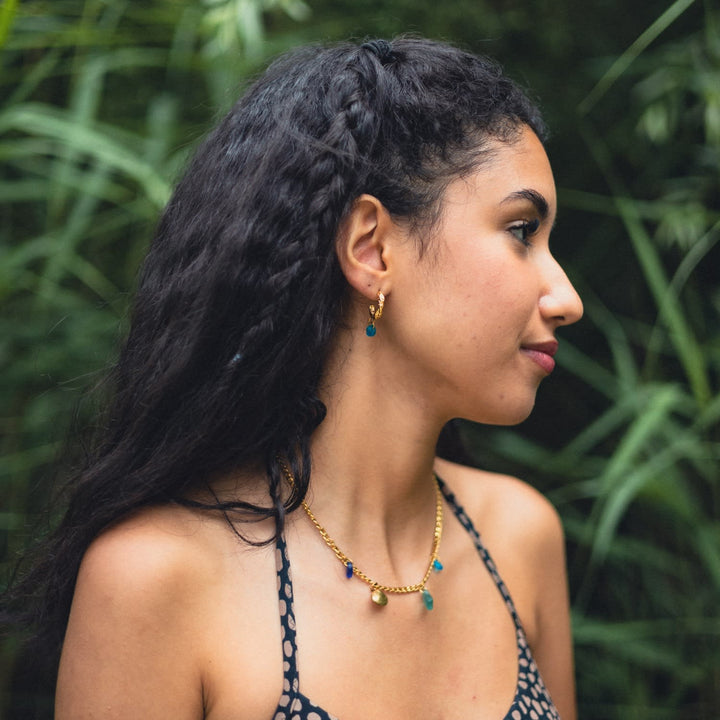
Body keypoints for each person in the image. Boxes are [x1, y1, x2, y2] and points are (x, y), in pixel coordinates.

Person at [7, 36, 583, 719]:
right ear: (372, 249)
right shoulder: (157, 578)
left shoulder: (519, 537)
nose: (567, 298)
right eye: (521, 230)